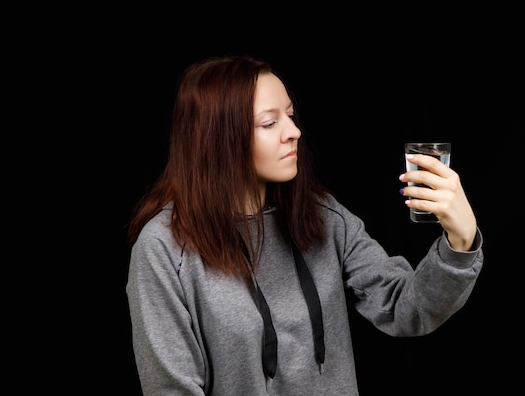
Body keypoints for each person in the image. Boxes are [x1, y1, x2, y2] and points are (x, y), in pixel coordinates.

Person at [126, 54, 484, 396]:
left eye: (291, 115)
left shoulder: (323, 215)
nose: (293, 131)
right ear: (216, 137)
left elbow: (408, 309)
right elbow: (172, 388)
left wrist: (461, 240)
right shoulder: (164, 248)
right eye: (270, 123)